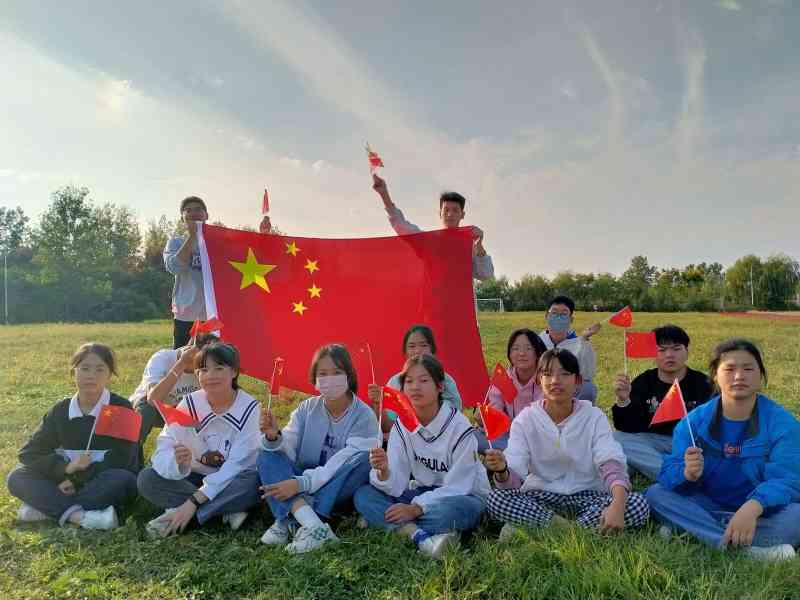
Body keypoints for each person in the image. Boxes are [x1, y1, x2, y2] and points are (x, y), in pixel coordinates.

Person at [646, 339, 800, 561]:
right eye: (729, 369)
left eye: (748, 369)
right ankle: (744, 549)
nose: (739, 376)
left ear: (761, 375)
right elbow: (669, 472)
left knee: (796, 517)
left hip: (762, 513)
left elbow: (788, 479)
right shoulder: (693, 422)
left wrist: (753, 506)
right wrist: (686, 473)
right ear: (715, 376)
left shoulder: (782, 423)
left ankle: (692, 531)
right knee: (656, 495)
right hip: (707, 504)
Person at [485, 348, 649, 539]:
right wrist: (502, 470)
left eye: (564, 374)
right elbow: (514, 475)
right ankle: (572, 530)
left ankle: (545, 528)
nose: (555, 380)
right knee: (496, 499)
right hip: (541, 495)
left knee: (638, 504)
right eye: (548, 374)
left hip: (589, 495)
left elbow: (610, 461)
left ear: (577, 381)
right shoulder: (526, 419)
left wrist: (618, 505)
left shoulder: (593, 416)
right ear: (539, 380)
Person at [354, 354, 490, 560]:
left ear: (440, 387)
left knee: (452, 513)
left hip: (462, 497)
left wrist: (416, 508)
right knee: (363, 495)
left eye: (424, 380)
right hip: (422, 491)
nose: (415, 387)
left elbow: (460, 485)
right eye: (409, 381)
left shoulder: (460, 427)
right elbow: (397, 482)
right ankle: (420, 536)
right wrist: (384, 471)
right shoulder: (402, 425)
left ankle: (388, 522)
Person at [258, 344, 380, 554]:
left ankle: (289, 519)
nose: (329, 379)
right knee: (267, 452)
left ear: (349, 375)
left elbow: (341, 464)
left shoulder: (364, 415)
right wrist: (274, 436)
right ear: (314, 379)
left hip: (335, 486)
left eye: (337, 372)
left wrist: (300, 484)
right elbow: (289, 446)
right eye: (322, 374)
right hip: (300, 478)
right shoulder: (307, 408)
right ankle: (313, 526)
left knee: (363, 459)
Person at [7, 343, 138, 530]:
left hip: (101, 481)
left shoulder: (122, 408)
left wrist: (76, 480)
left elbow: (124, 460)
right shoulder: (60, 411)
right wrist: (64, 470)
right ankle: (82, 517)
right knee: (17, 477)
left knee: (121, 479)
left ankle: (46, 509)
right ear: (73, 372)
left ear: (110, 375)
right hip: (64, 482)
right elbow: (29, 453)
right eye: (84, 368)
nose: (91, 375)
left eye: (100, 369)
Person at [137, 342, 261, 537]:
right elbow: (165, 442)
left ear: (234, 372)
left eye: (219, 368)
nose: (210, 375)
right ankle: (223, 512)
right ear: (197, 374)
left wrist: (192, 502)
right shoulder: (190, 402)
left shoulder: (250, 408)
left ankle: (183, 516)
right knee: (147, 478)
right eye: (203, 370)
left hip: (230, 481)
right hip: (193, 477)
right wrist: (176, 462)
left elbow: (237, 465)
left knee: (253, 483)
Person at [612, 325, 713, 480]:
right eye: (662, 350)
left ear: (687, 352)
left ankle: (655, 468)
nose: (669, 355)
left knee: (623, 461)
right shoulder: (644, 381)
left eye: (676, 349)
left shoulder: (704, 384)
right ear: (654, 354)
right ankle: (677, 474)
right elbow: (627, 427)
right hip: (652, 442)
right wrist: (623, 400)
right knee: (617, 438)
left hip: (691, 445)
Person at [371, 174, 494, 282]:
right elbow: (402, 226)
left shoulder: (468, 245)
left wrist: (479, 247)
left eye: (455, 210)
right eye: (446, 210)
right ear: (440, 213)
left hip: (460, 302)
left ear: (462, 215)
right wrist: (384, 194)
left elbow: (486, 275)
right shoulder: (428, 241)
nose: (450, 214)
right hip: (433, 301)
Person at [129, 333, 219, 465]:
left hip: (183, 412)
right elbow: (153, 399)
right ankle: (131, 460)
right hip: (153, 409)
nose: (202, 368)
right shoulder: (162, 358)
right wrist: (181, 364)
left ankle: (200, 461)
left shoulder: (207, 369)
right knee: (147, 410)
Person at [367, 324, 462, 439]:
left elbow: (453, 420)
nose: (417, 351)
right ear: (405, 351)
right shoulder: (395, 382)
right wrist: (378, 404)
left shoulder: (446, 381)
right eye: (411, 346)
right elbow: (387, 426)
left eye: (423, 345)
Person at [476, 328, 547, 452]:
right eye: (515, 348)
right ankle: (512, 452)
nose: (522, 353)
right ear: (509, 354)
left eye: (528, 348)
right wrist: (487, 418)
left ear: (538, 352)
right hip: (508, 434)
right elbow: (496, 410)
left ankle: (514, 453)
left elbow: (541, 418)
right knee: (473, 437)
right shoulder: (503, 378)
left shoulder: (546, 380)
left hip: (536, 436)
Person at [164, 196, 210, 349]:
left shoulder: (218, 242)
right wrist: (192, 237)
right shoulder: (175, 242)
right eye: (188, 210)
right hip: (186, 314)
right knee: (183, 356)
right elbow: (174, 267)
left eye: (198, 209)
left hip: (213, 313)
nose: (193, 213)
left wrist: (264, 235)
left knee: (215, 358)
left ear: (206, 215)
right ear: (182, 218)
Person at [539, 295, 599, 404]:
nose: (558, 317)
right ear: (547, 316)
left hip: (568, 388)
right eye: (554, 313)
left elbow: (588, 374)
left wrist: (585, 340)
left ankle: (576, 412)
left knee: (588, 388)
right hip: (541, 385)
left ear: (571, 319)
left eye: (564, 314)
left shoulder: (579, 343)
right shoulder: (538, 340)